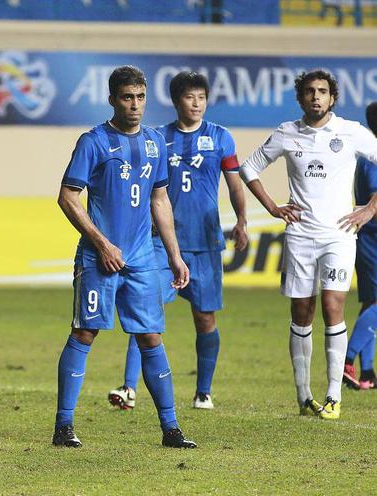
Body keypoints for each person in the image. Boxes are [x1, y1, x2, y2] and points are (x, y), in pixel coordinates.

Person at [53, 65, 196, 449]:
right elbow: (68, 198)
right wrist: (102, 244)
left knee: (151, 337)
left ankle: (171, 429)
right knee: (84, 332)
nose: (135, 105)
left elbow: (160, 200)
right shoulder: (93, 142)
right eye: (127, 98)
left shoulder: (154, 143)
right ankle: (63, 426)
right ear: (113, 99)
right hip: (100, 257)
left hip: (142, 258)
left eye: (141, 98)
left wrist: (175, 255)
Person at [239, 70, 377, 420]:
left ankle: (334, 394)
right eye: (310, 91)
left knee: (334, 306)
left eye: (323, 92)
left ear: (333, 98)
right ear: (300, 98)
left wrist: (369, 210)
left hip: (339, 234)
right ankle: (304, 396)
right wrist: (272, 207)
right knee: (302, 312)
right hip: (300, 236)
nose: (316, 97)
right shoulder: (287, 133)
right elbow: (249, 167)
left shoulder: (350, 132)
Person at [108, 71, 248, 411]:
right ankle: (129, 388)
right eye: (190, 97)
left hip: (204, 243)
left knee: (205, 319)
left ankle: (203, 391)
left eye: (201, 96)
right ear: (176, 101)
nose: (197, 103)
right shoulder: (156, 139)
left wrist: (242, 219)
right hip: (159, 242)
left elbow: (234, 184)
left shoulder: (220, 138)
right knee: (146, 313)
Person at [343, 101, 377, 390]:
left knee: (371, 303)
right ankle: (347, 361)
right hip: (373, 239)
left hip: (367, 238)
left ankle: (366, 372)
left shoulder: (367, 154)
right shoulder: (373, 157)